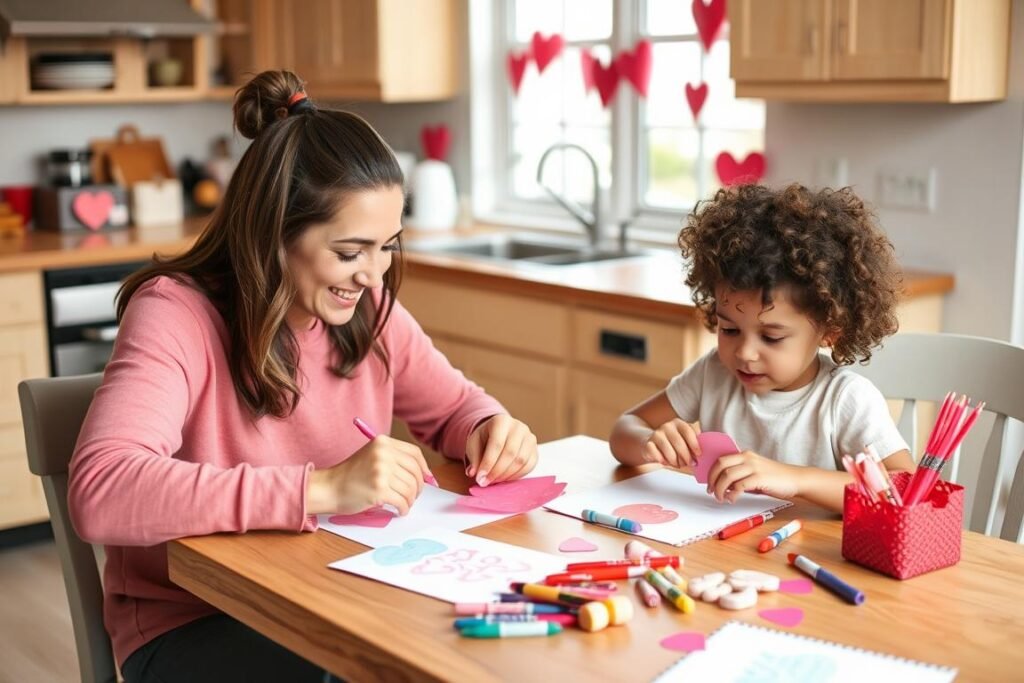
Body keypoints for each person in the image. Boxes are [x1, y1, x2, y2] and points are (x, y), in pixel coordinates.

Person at [68, 70, 538, 682]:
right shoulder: (175, 313)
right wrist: (317, 489)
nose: (373, 275)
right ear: (273, 234)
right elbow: (102, 490)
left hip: (337, 591)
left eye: (388, 245)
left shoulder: (367, 310)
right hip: (196, 622)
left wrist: (490, 427)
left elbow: (455, 409)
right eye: (350, 252)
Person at [609, 183, 915, 512]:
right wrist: (649, 443)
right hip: (726, 550)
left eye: (771, 337)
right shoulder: (713, 374)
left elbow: (902, 487)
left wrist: (796, 479)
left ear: (830, 332)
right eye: (729, 329)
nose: (744, 353)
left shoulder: (844, 400)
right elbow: (623, 431)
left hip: (812, 557)